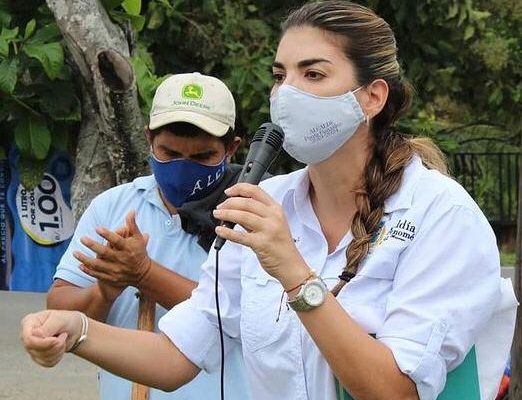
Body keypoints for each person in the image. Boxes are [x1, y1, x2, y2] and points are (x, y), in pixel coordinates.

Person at [21, 2, 517, 400]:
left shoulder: (439, 214)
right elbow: (178, 356)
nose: (287, 93)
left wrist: (295, 275)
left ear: (372, 98)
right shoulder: (266, 204)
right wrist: (77, 331)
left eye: (314, 74)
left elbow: (393, 390)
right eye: (280, 75)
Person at [43, 72, 252, 400]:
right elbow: (60, 309)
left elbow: (246, 319)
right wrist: (105, 291)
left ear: (232, 148)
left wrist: (143, 274)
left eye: (201, 157)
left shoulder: (251, 212)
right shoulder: (112, 206)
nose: (183, 168)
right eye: (169, 153)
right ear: (149, 139)